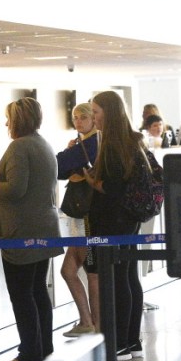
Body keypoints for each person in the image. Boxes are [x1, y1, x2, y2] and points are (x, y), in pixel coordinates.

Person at [0, 97, 64, 361]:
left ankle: (30, 352)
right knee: (37, 290)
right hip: (44, 227)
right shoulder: (43, 144)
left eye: (9, 119)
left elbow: (14, 188)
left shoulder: (18, 147)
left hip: (21, 230)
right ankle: (43, 346)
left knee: (22, 293)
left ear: (18, 120)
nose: (6, 124)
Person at [83, 91, 145, 361]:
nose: (93, 116)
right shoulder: (131, 140)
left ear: (107, 112)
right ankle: (132, 340)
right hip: (129, 219)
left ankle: (119, 342)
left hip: (114, 220)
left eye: (95, 111)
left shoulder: (113, 144)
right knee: (129, 276)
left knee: (119, 280)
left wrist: (92, 181)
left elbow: (115, 186)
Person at [56, 102, 99, 337]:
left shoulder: (92, 144)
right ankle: (87, 321)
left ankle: (96, 324)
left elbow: (59, 165)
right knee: (69, 270)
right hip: (77, 216)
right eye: (75, 117)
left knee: (92, 272)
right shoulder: (82, 145)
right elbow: (63, 169)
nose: (79, 121)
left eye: (83, 117)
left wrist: (68, 154)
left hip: (86, 218)